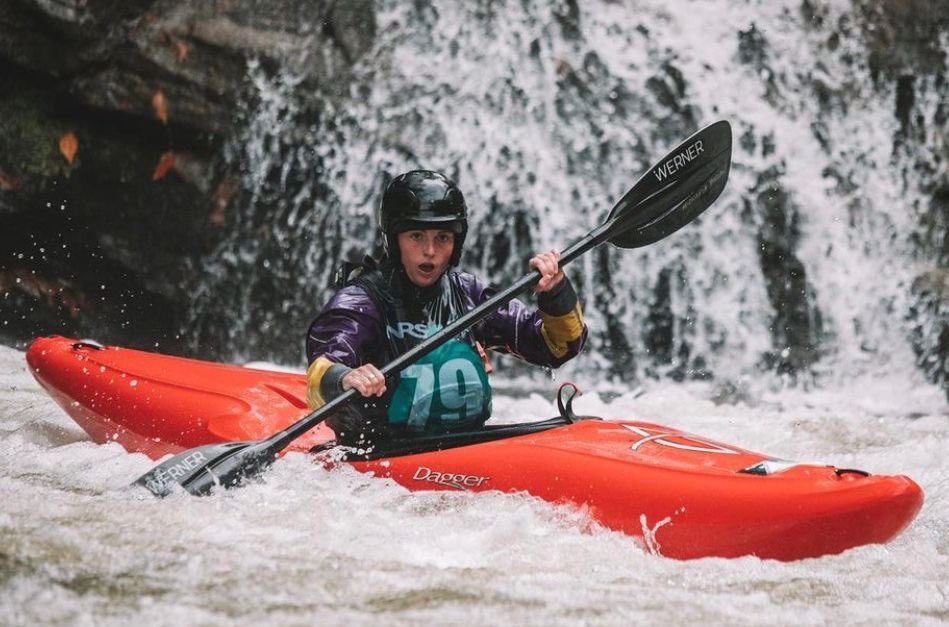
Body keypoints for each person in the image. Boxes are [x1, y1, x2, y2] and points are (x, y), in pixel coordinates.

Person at [305, 170, 586, 449]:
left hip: (466, 452)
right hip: (381, 456)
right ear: (393, 239)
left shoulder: (467, 294)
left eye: (443, 237)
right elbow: (323, 366)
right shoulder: (361, 303)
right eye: (416, 236)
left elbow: (557, 347)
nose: (430, 250)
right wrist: (345, 377)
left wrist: (556, 292)